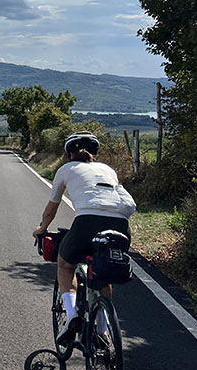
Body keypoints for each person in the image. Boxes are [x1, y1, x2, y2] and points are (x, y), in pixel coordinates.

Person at [33, 131, 136, 345]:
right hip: (120, 225)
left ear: (70, 153)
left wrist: (42, 228)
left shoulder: (65, 169)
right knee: (102, 272)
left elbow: (52, 209)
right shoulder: (108, 170)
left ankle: (72, 315)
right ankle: (103, 330)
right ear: (95, 153)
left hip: (87, 222)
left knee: (65, 264)